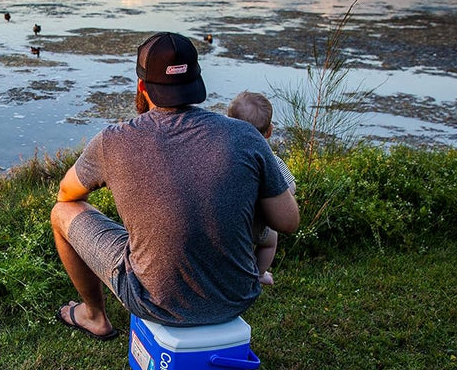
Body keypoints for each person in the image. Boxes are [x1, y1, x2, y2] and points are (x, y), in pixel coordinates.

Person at [51, 32, 299, 340]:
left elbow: (67, 193)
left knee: (62, 212)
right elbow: (288, 221)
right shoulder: (246, 136)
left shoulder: (112, 141)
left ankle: (94, 316)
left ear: (142, 85)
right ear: (197, 83)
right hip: (238, 295)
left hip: (153, 301)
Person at [227, 90, 297, 286]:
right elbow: (290, 188)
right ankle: (258, 274)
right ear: (269, 132)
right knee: (270, 241)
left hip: (227, 221)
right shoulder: (272, 161)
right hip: (257, 225)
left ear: (227, 124)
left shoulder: (224, 156)